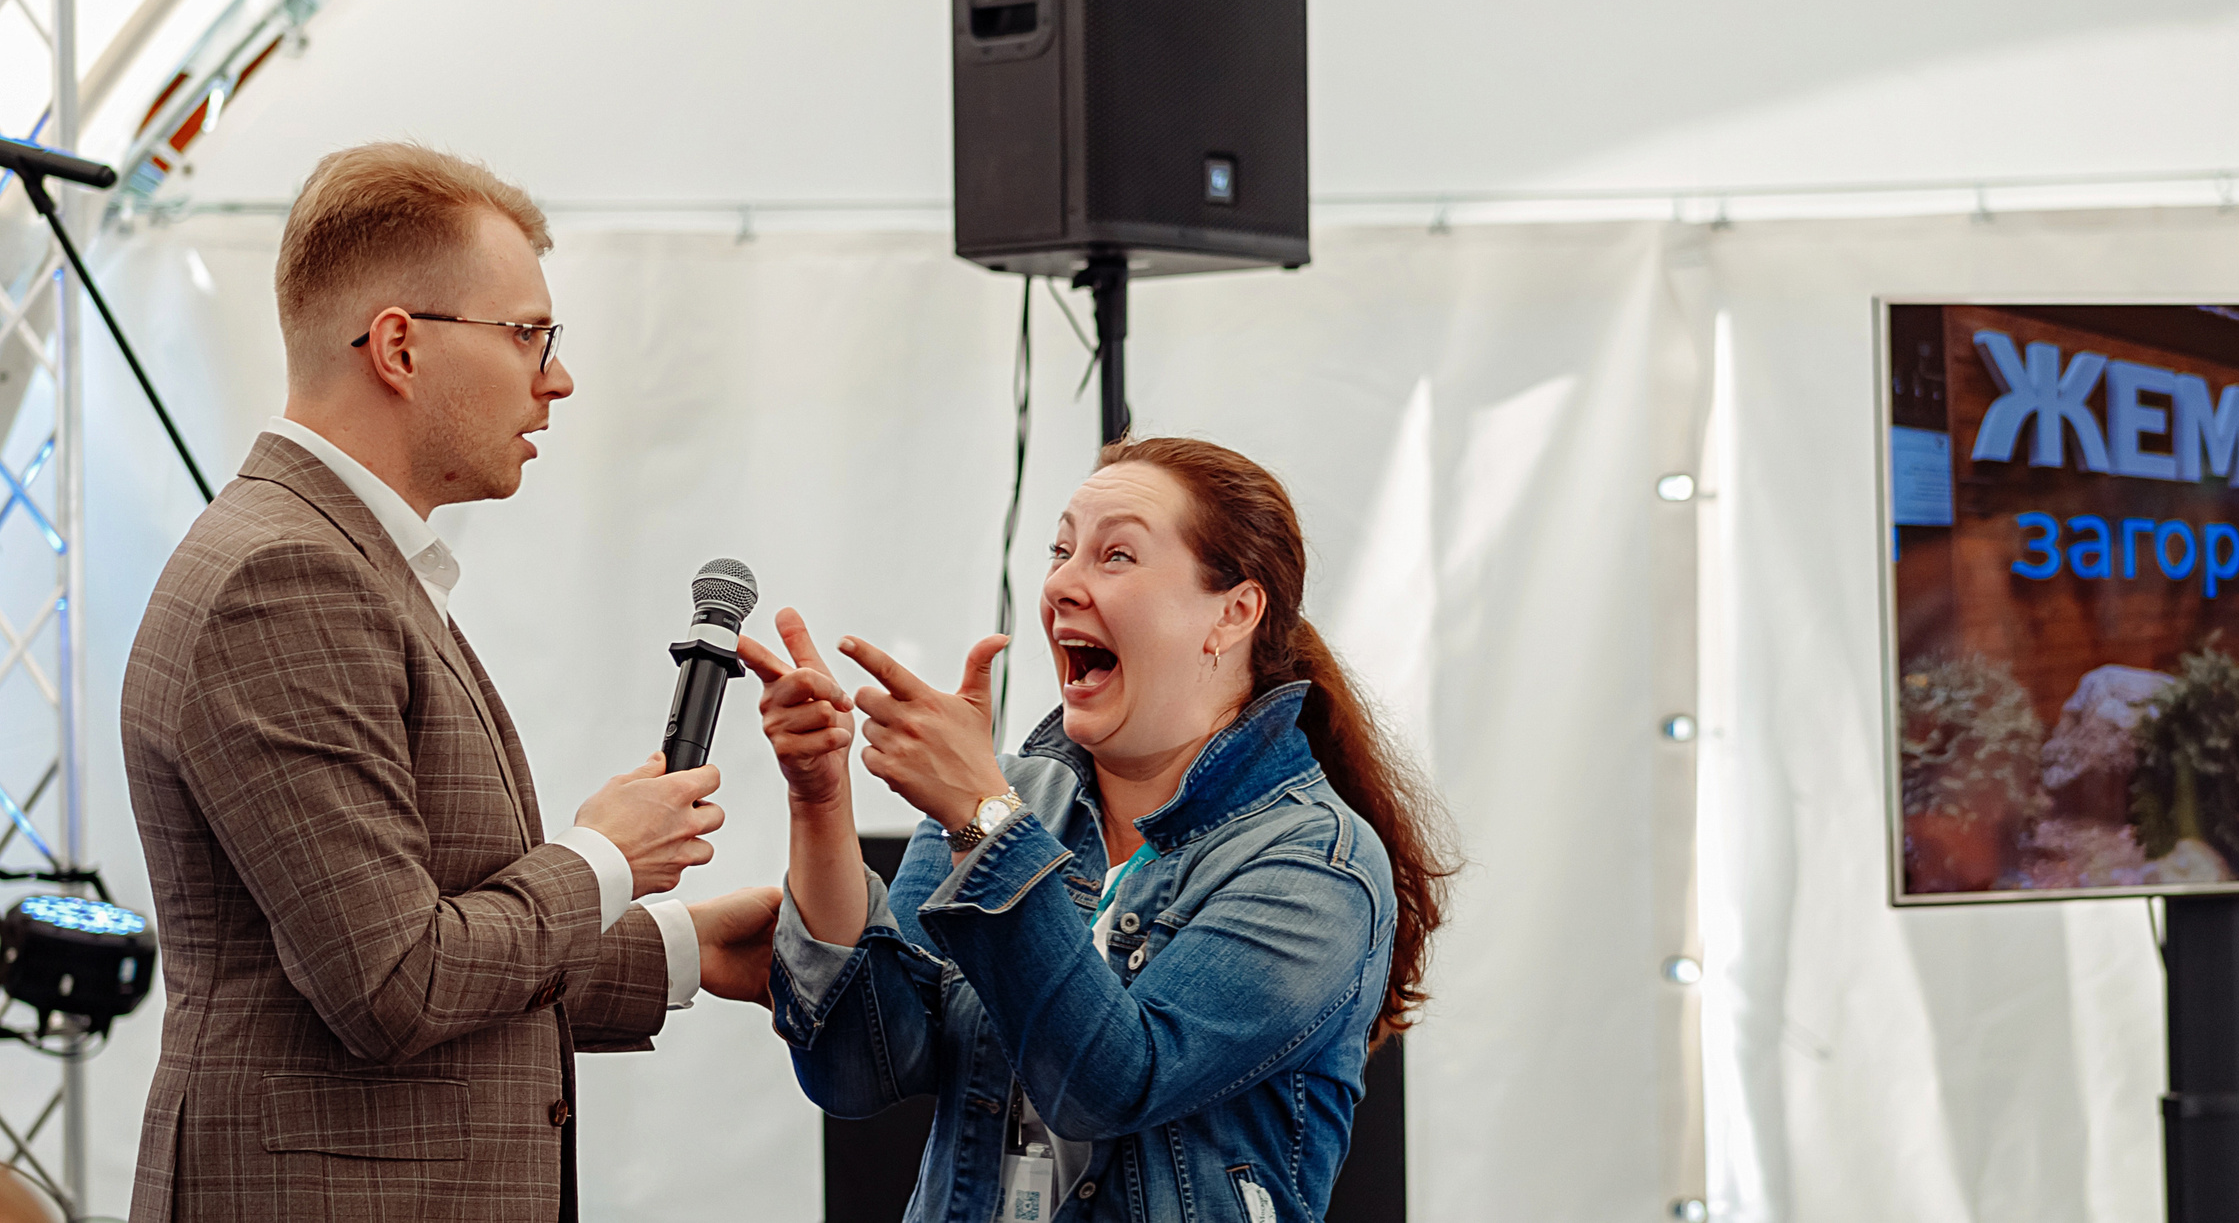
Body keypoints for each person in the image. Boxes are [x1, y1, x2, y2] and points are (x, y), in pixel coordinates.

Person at [121, 143, 781, 1223]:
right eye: (529, 334)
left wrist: (689, 948)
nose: (556, 376)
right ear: (398, 347)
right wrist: (604, 857)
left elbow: (428, 933)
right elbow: (396, 984)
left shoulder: (339, 558)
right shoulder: (285, 579)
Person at [743, 435, 1455, 1223]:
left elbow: (1110, 1080)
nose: (1062, 584)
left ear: (1234, 611)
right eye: (1060, 548)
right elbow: (860, 1067)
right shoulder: (1009, 794)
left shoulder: (1315, 860)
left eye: (1116, 556)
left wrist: (981, 818)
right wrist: (818, 799)